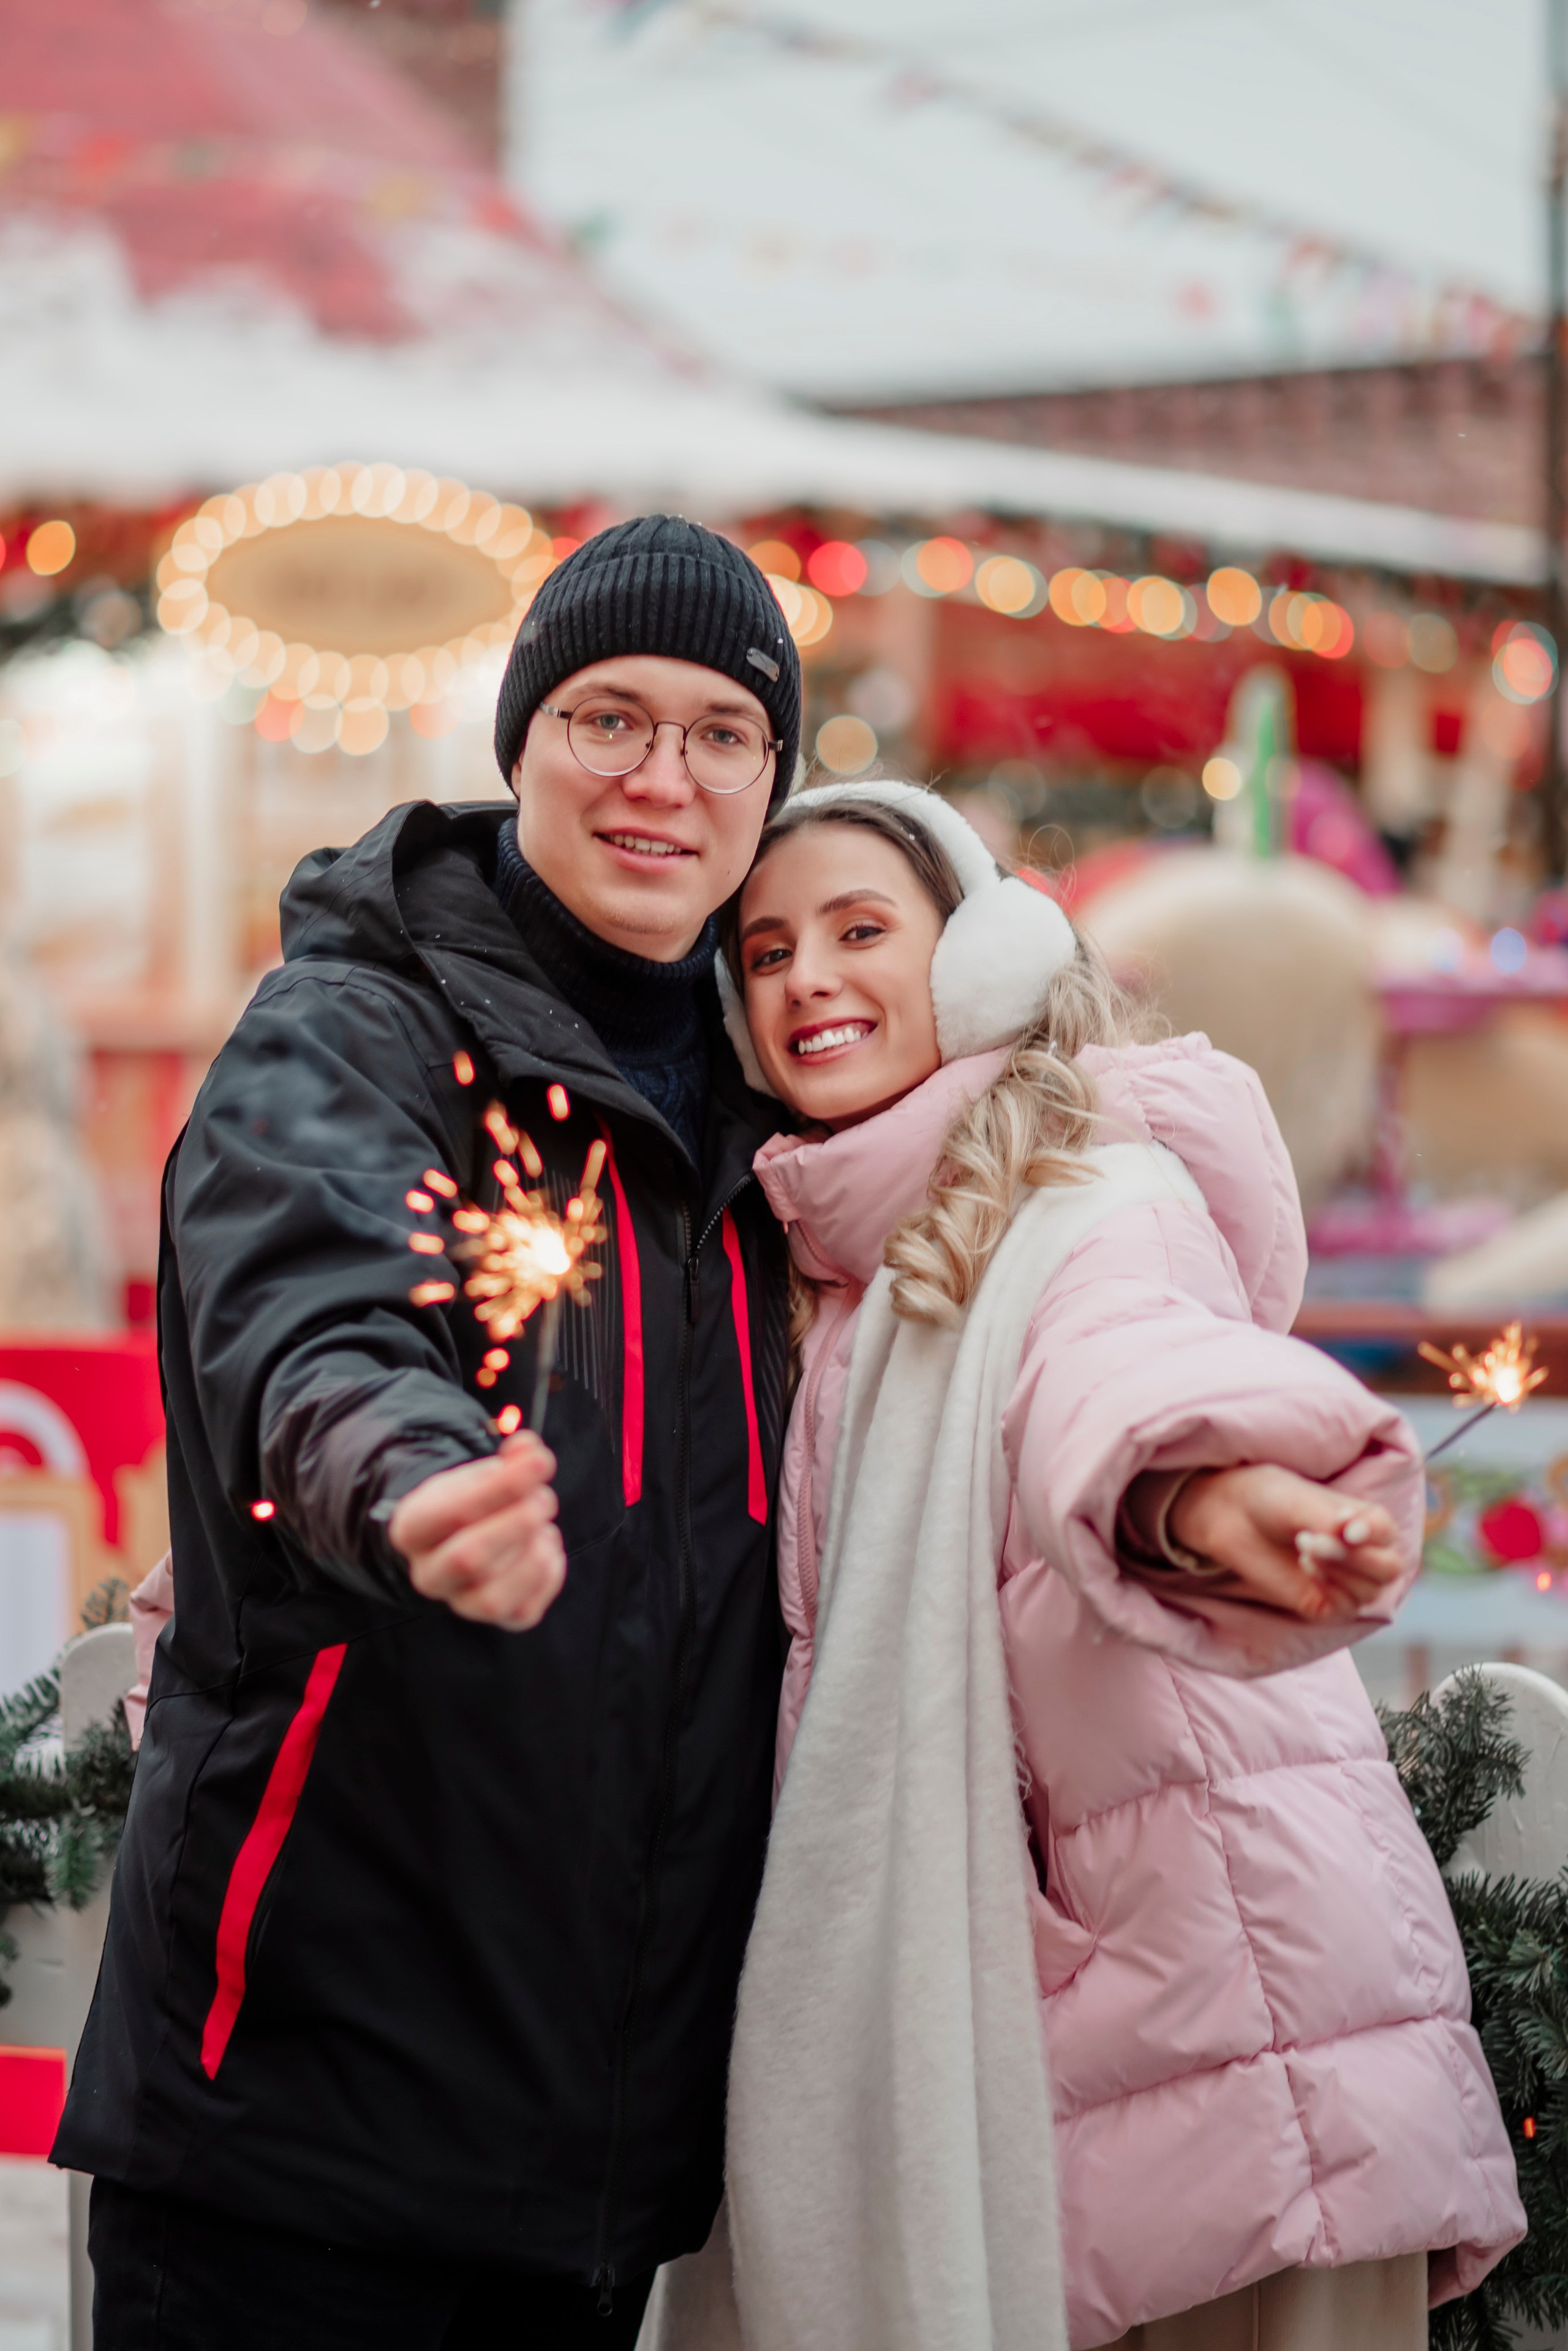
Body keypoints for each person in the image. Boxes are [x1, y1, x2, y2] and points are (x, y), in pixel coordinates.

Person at [55, 517, 804, 2349]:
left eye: (722, 732)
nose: (663, 776)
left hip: (595, 2178)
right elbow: (313, 1314)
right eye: (610, 717)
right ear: (520, 738)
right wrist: (410, 1476)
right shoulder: (350, 1032)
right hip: (296, 2147)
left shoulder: (773, 1128)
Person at [680, 780, 1523, 2351]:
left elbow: (1119, 1368)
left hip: (1221, 1999)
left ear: (979, 959)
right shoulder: (836, 1264)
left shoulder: (1085, 1191)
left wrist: (1207, 1498)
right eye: (769, 950)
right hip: (1106, 2011)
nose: (808, 978)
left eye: (859, 930)